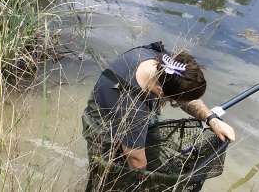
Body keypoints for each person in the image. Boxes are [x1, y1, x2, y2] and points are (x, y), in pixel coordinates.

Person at [81, 41, 236, 190]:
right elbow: (136, 160)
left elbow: (185, 96)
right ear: (161, 92)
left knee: (153, 163)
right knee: (110, 180)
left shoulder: (169, 66)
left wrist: (212, 120)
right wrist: (144, 184)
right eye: (175, 100)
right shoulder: (132, 109)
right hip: (104, 125)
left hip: (143, 113)